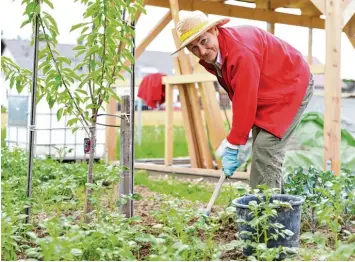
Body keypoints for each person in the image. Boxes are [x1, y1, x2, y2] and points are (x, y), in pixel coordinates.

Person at [171, 10, 314, 190]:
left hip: (291, 85)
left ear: (215, 30)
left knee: (265, 149)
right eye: (193, 48)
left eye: (203, 41)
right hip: (267, 91)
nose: (202, 51)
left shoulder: (241, 51)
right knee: (263, 152)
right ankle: (280, 208)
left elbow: (244, 99)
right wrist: (237, 138)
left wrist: (233, 143)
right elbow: (240, 95)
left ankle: (264, 213)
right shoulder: (217, 55)